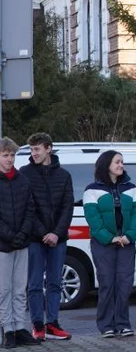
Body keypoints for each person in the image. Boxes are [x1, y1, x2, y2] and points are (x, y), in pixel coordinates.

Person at [84, 150, 136, 339]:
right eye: (117, 162)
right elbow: (93, 218)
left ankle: (123, 324)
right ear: (106, 164)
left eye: (122, 162)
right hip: (104, 244)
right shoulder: (91, 189)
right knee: (107, 284)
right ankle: (106, 326)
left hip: (126, 243)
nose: (121, 165)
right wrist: (110, 238)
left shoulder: (131, 188)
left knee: (125, 284)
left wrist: (130, 235)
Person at [23, 132, 74, 341]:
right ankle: (37, 326)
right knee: (34, 284)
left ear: (48, 148)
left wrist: (56, 233)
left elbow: (67, 207)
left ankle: (52, 324)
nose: (34, 153)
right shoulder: (25, 173)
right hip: (35, 239)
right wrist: (44, 233)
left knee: (55, 282)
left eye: (37, 149)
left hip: (58, 238)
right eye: (32, 150)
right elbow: (27, 207)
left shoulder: (64, 175)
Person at [0, 137, 42, 349]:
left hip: (22, 242)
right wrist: (9, 235)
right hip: (3, 245)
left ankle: (20, 327)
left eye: (12, 155)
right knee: (4, 289)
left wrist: (23, 233)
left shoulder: (22, 180)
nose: (9, 159)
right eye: (5, 155)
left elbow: (30, 209)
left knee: (19, 288)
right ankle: (7, 329)